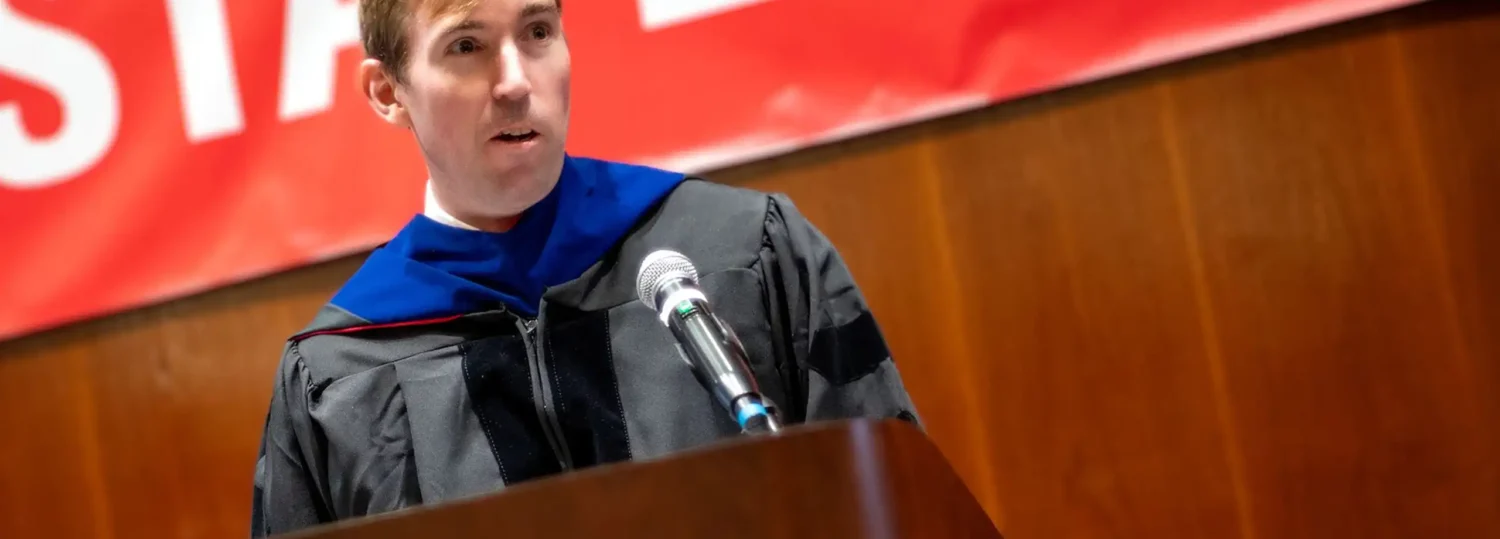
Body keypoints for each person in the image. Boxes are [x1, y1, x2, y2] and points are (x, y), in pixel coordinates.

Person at [250, 0, 920, 535]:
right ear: (388, 92)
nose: (516, 81)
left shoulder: (742, 254)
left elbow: (898, 505)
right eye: (466, 46)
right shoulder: (339, 375)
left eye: (537, 31)